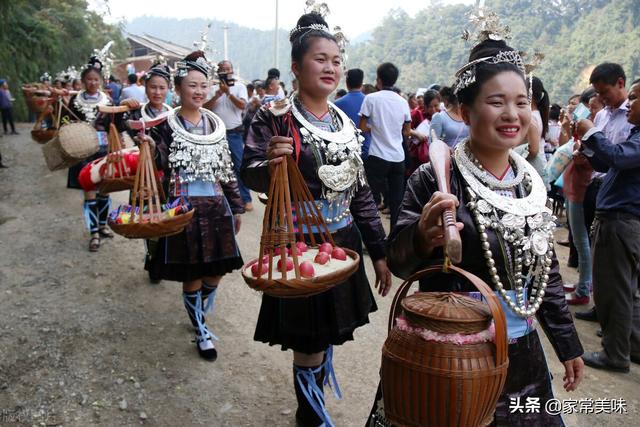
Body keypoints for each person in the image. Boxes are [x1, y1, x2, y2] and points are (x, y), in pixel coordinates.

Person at [369, 34, 583, 427]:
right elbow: (398, 258)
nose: (512, 114)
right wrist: (422, 235)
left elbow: (545, 271)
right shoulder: (433, 178)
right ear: (465, 113)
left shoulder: (528, 183)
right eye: (496, 101)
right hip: (449, 350)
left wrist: (567, 344)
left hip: (521, 354)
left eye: (521, 103)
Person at [242, 12, 392, 427]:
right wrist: (269, 163)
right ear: (296, 66)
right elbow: (249, 169)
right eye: (320, 59)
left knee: (328, 331)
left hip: (341, 243)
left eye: (336, 60)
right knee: (308, 340)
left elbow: (360, 192)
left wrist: (378, 251)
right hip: (298, 244)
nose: (330, 67)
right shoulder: (274, 117)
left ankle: (314, 402)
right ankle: (310, 416)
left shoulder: (345, 122)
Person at [142, 51, 244, 361]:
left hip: (215, 206)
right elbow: (160, 158)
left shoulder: (216, 125)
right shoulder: (167, 125)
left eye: (203, 85)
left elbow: (226, 169)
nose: (198, 91)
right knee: (194, 274)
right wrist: (148, 146)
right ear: (178, 89)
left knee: (216, 272)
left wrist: (236, 205)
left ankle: (201, 314)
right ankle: (199, 328)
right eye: (191, 85)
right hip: (184, 207)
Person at [575, 78, 640, 373]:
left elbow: (618, 157)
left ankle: (615, 354)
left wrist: (593, 133)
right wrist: (589, 150)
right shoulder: (635, 136)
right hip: (617, 219)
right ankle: (629, 345)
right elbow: (609, 164)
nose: (629, 104)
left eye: (635, 98)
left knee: (616, 291)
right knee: (622, 289)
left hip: (621, 221)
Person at [64, 56, 114, 252]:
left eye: (96, 80)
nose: (93, 83)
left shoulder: (108, 100)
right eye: (89, 79)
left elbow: (114, 126)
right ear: (83, 81)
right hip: (82, 152)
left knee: (105, 190)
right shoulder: (75, 101)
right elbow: (66, 123)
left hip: (103, 151)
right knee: (89, 192)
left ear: (100, 81)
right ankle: (93, 231)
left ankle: (103, 225)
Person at [359, 62, 412, 228]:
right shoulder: (402, 102)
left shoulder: (371, 99)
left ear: (378, 79)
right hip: (398, 158)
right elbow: (407, 131)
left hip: (377, 156)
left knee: (372, 198)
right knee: (396, 200)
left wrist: (376, 128)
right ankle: (395, 238)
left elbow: (362, 127)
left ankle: (374, 234)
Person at [204, 60, 253, 211]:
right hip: (215, 134)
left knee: (239, 166)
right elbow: (204, 108)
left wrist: (228, 93)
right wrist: (217, 95)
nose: (225, 72)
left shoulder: (239, 87)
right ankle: (221, 199)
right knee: (217, 167)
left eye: (227, 69)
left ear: (232, 71)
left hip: (234, 133)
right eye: (222, 69)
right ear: (218, 72)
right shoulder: (212, 88)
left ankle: (246, 198)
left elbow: (243, 105)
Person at [334, 68, 371, 159]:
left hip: (346, 153)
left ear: (347, 82)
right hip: (369, 150)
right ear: (361, 83)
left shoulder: (337, 104)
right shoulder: (370, 102)